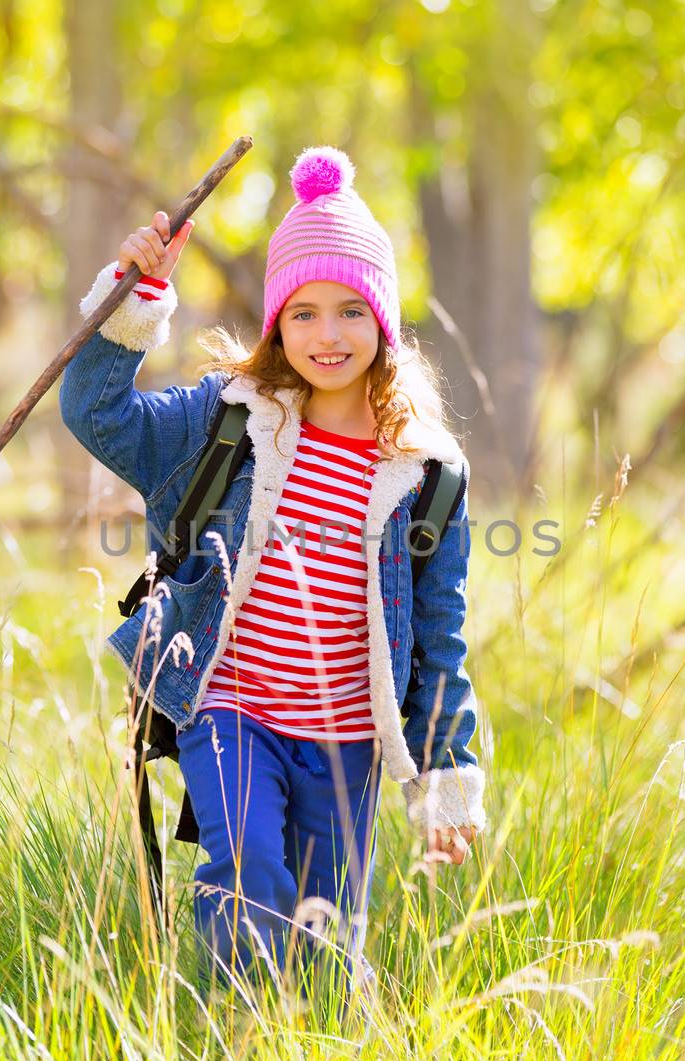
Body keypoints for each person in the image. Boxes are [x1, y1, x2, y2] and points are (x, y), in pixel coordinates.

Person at [59, 145, 486, 993]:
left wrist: (445, 777)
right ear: (277, 325)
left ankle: (317, 1033)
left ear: (384, 321)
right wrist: (134, 295)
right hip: (232, 706)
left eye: (349, 312)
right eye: (304, 314)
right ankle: (232, 1028)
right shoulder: (227, 423)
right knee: (248, 867)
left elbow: (439, 639)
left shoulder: (425, 473)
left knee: (326, 940)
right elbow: (96, 413)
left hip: (348, 742)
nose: (327, 336)